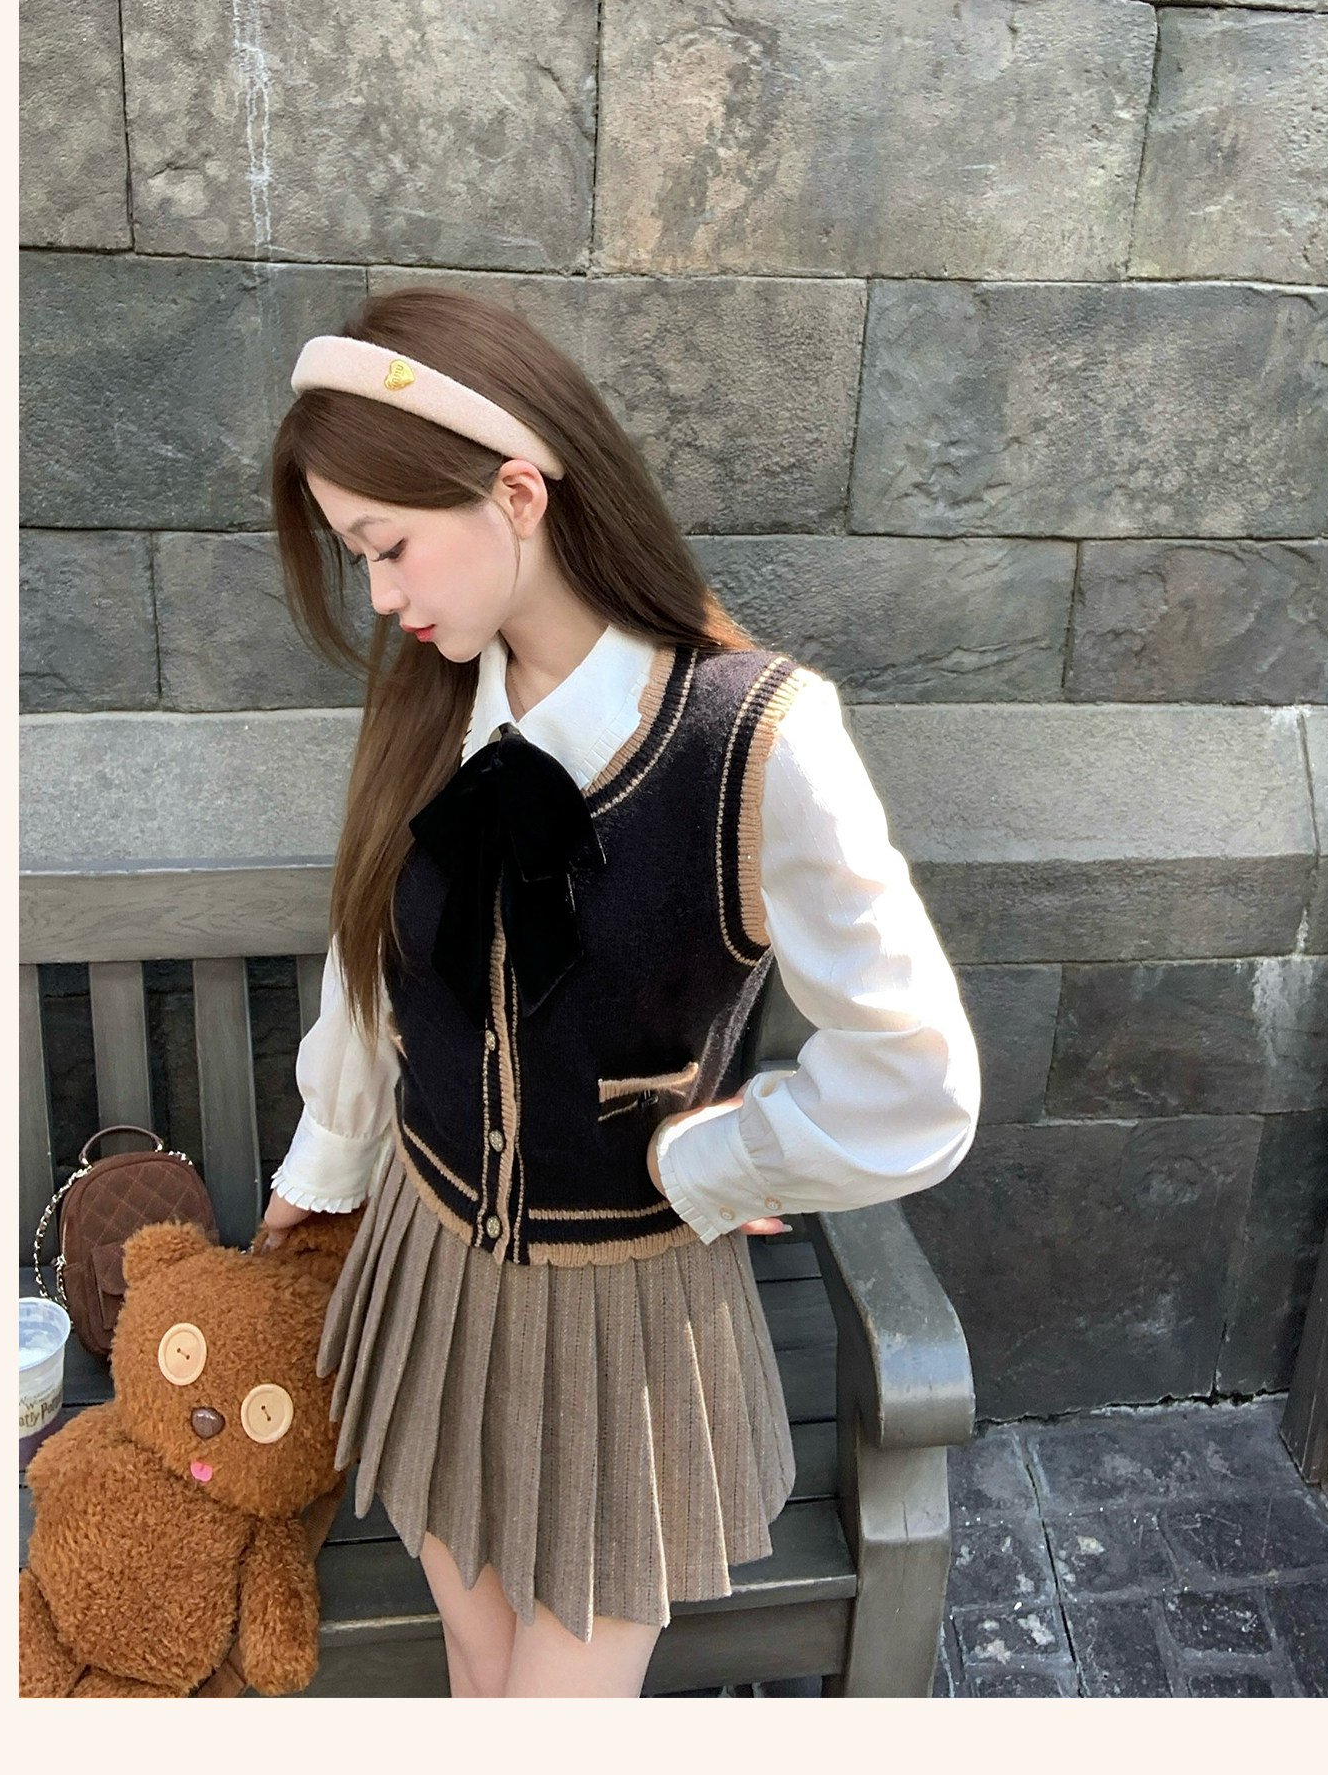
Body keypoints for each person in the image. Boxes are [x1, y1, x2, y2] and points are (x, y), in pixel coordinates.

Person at [257, 285, 980, 1698]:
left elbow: (917, 1078)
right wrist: (324, 1167)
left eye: (388, 547)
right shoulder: (433, 698)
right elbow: (370, 963)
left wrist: (718, 1160)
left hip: (626, 1330)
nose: (383, 597)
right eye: (360, 559)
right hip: (426, 1273)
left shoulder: (758, 739)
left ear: (517, 494)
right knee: (477, 1671)